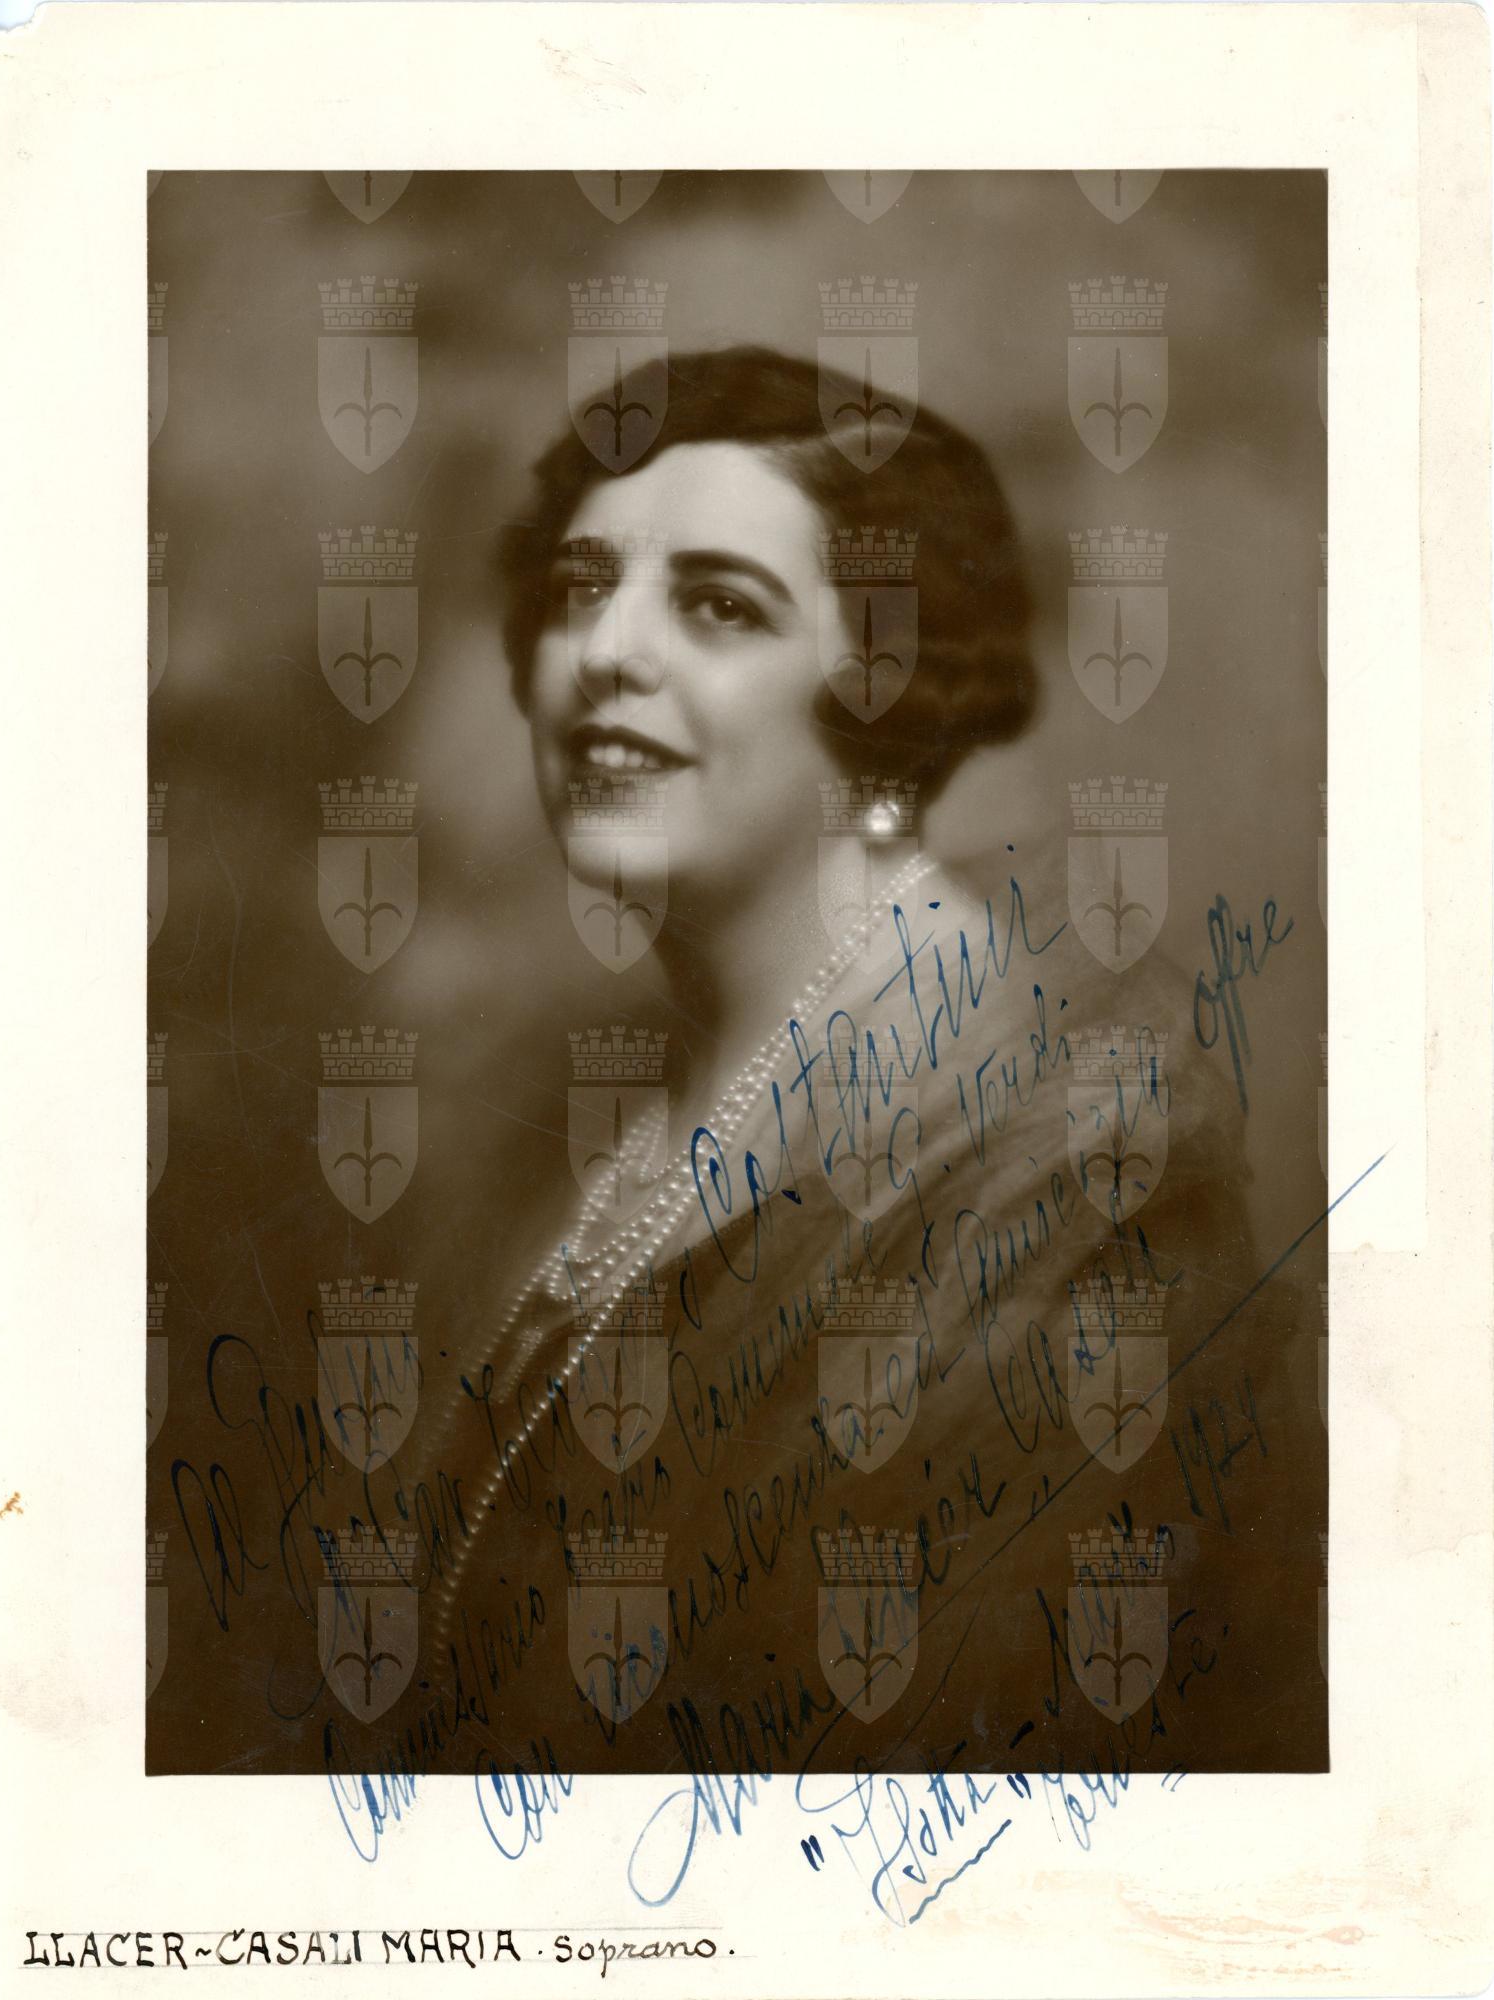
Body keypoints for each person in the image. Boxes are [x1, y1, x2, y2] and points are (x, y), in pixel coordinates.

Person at [407, 348, 1324, 1781]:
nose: (604, 652)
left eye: (719, 605)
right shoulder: (565, 1117)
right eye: (578, 591)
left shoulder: (1072, 1183)